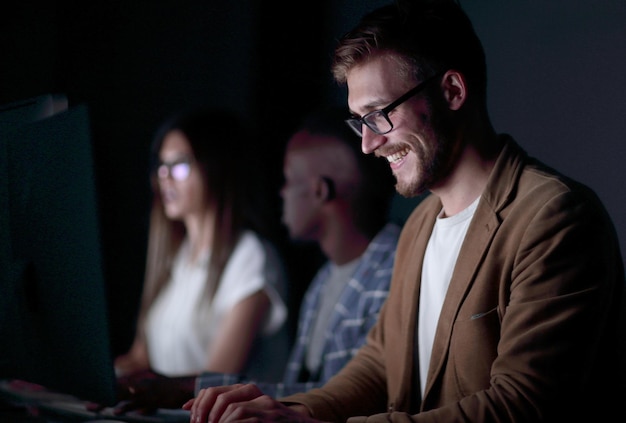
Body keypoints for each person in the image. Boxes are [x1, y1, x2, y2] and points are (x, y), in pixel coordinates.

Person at [183, 1, 625, 422]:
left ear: (451, 91)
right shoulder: (418, 225)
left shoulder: (554, 217)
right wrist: (294, 412)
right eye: (359, 121)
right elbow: (379, 363)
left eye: (378, 114)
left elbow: (521, 406)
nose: (368, 143)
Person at [110, 107, 401, 414]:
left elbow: (354, 396)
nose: (281, 192)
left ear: (319, 190)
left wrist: (181, 388)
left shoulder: (390, 270)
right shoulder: (324, 281)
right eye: (161, 167)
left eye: (288, 180)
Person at [110, 107, 290, 411]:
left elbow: (217, 380)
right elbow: (139, 358)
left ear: (216, 169)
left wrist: (145, 388)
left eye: (179, 166)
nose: (164, 178)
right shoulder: (177, 258)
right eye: (161, 167)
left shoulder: (251, 257)